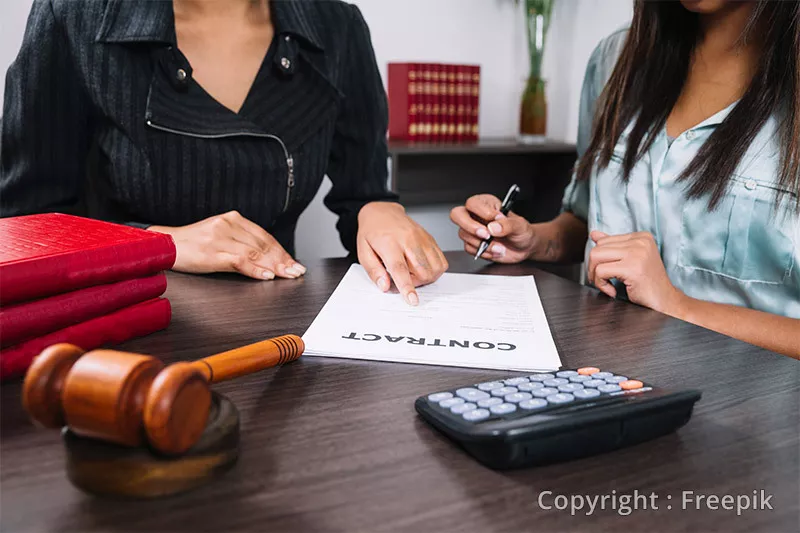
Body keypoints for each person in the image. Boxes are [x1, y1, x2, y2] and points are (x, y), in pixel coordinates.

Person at [0, 0, 447, 306]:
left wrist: (378, 210)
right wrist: (159, 244)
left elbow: (364, 191)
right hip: (123, 335)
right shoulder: (75, 15)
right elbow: (23, 226)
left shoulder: (338, 26)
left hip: (286, 334)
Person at [451, 0, 800, 358]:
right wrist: (534, 241)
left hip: (751, 390)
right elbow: (587, 218)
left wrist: (678, 306)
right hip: (607, 370)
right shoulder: (615, 58)